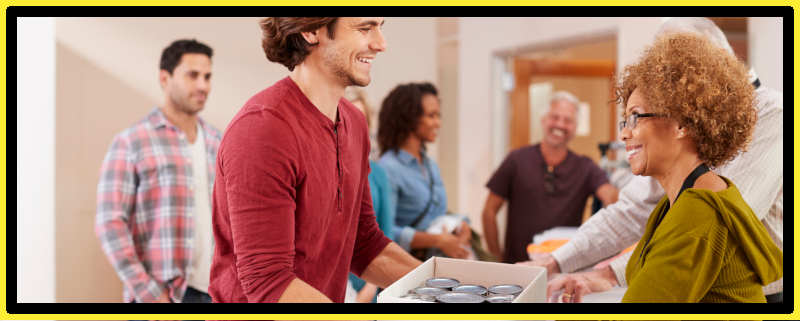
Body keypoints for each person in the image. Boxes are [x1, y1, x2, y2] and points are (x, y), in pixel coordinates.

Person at [535, 17, 784, 304]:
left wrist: (607, 275)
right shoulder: (673, 205)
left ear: (685, 116)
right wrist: (556, 261)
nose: (625, 133)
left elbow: (716, 226)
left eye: (636, 117)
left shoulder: (704, 209)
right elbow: (631, 210)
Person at [209, 17, 421, 303]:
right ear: (311, 30)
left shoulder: (354, 123)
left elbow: (364, 244)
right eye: (365, 28)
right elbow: (268, 282)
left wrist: (447, 291)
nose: (381, 44)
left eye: (381, 27)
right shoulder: (263, 130)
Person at [95, 39, 220, 303]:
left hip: (215, 293)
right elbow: (110, 223)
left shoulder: (218, 142)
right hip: (163, 297)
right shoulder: (131, 142)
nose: (203, 86)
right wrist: (150, 294)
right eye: (192, 75)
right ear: (165, 78)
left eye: (207, 76)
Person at [481, 91, 619, 263]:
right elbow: (489, 211)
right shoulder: (516, 159)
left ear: (575, 128)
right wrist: (496, 259)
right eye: (555, 117)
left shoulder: (585, 167)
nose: (560, 124)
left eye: (568, 120)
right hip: (517, 267)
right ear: (544, 120)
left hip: (564, 268)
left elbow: (610, 197)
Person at [377, 82, 474, 261]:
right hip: (406, 266)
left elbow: (436, 217)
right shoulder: (388, 168)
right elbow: (383, 231)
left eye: (439, 115)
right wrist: (437, 241)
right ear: (409, 117)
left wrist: (460, 227)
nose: (438, 122)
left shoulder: (430, 165)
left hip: (437, 264)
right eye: (431, 115)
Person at [343, 87, 396, 303]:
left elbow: (384, 237)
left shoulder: (378, 174)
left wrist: (369, 289)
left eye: (361, 120)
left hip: (367, 288)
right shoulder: (318, 171)